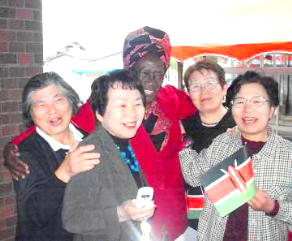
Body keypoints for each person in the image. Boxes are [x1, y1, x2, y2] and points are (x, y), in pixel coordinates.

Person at [3, 26, 196, 240]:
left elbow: (207, 113)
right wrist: (14, 145)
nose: (152, 81)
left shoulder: (173, 98)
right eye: (144, 73)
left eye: (159, 73)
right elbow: (59, 121)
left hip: (173, 215)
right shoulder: (109, 105)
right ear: (129, 69)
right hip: (132, 222)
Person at [179, 71, 292, 240]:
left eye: (257, 101)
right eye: (240, 102)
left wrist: (273, 207)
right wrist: (182, 138)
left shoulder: (288, 156)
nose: (247, 109)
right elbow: (194, 175)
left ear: (272, 110)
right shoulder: (222, 143)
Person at [62, 70, 156, 241]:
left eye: (137, 104)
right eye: (122, 105)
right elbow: (72, 219)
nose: (133, 113)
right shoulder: (89, 152)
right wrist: (120, 213)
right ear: (100, 113)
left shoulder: (130, 141)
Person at [13, 72, 100, 241]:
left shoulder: (90, 139)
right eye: (41, 105)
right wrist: (64, 173)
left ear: (71, 101)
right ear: (30, 113)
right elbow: (33, 215)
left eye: (58, 100)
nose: (52, 110)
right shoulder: (25, 153)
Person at [181, 60, 236, 229]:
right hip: (191, 221)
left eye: (210, 83)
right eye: (195, 86)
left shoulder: (240, 124)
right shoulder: (182, 126)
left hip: (231, 220)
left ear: (224, 87)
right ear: (188, 92)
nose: (204, 91)